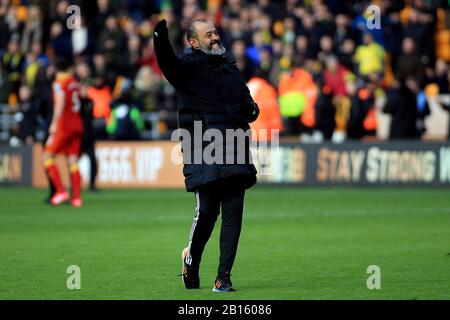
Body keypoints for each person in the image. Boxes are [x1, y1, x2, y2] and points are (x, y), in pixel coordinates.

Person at [153, 19, 259, 292]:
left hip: (234, 143)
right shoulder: (186, 69)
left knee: (234, 213)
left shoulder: (229, 69)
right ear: (193, 42)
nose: (215, 37)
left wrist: (251, 110)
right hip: (203, 145)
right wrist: (160, 37)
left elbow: (246, 101)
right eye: (208, 34)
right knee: (207, 212)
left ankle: (223, 276)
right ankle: (191, 260)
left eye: (215, 32)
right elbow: (167, 63)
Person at [42, 58, 84, 207]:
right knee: (72, 160)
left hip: (64, 125)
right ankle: (77, 198)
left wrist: (54, 123)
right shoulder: (73, 81)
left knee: (46, 156)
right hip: (77, 124)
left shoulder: (59, 83)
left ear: (55, 68)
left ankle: (61, 191)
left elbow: (60, 103)